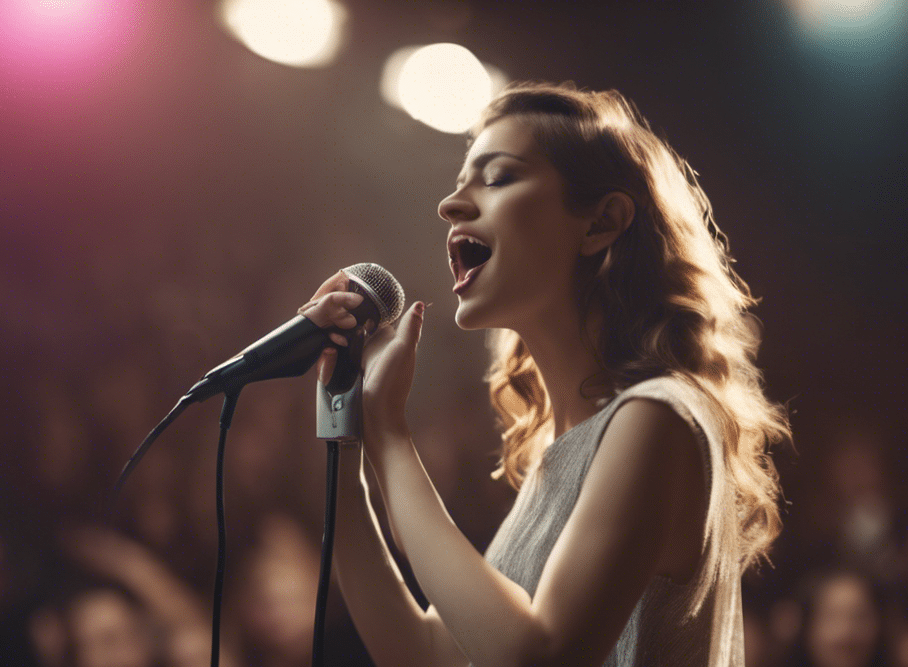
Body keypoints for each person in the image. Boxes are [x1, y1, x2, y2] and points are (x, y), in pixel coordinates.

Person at [298, 81, 792, 667]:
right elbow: (424, 654)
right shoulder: (558, 461)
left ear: (601, 223)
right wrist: (345, 437)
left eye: (498, 177)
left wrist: (391, 435)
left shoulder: (659, 416)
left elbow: (540, 657)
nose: (450, 206)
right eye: (459, 184)